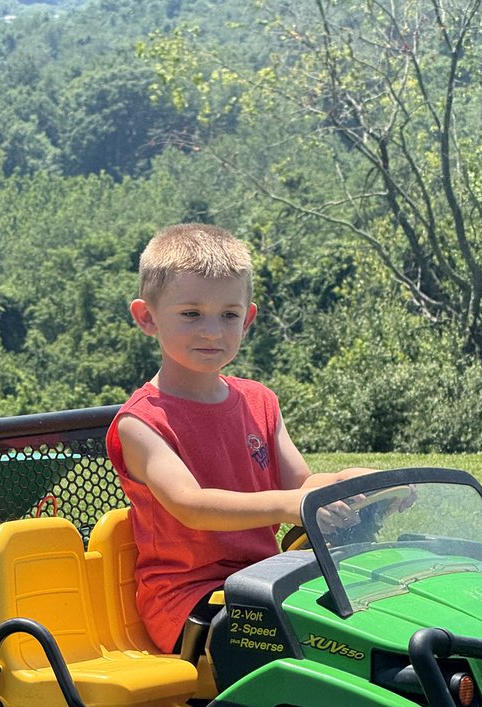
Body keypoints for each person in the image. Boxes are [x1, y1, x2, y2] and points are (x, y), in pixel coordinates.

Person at [106, 222, 375, 654]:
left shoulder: (260, 401)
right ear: (147, 317)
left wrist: (356, 482)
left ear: (247, 319)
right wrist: (292, 505)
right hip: (189, 605)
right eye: (191, 313)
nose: (212, 330)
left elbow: (300, 487)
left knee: (370, 616)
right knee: (314, 648)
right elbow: (191, 507)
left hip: (266, 580)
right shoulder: (141, 423)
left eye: (228, 314)